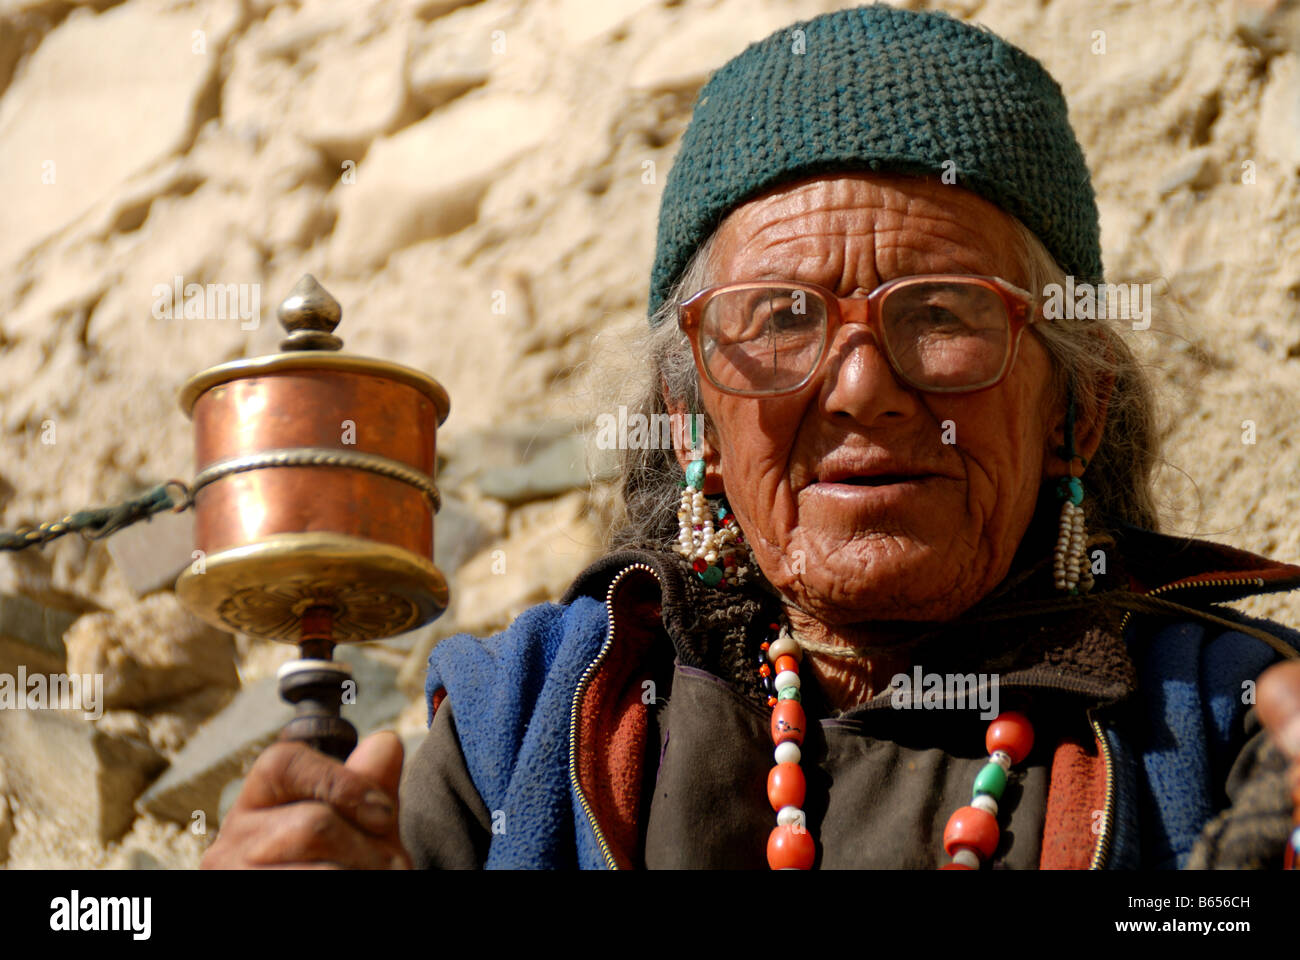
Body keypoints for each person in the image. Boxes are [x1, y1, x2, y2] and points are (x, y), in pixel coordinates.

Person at [202, 3, 1300, 870]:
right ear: (691, 415)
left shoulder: (1226, 730)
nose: (863, 388)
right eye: (780, 318)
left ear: (1075, 409)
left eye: (943, 314)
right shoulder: (527, 724)